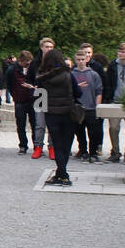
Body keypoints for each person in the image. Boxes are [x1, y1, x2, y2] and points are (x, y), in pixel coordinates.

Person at [37, 49, 83, 186]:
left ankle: (61, 174)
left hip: (51, 115)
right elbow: (78, 93)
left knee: (57, 144)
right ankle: (63, 175)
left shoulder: (42, 78)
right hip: (68, 113)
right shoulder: (68, 75)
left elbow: (40, 100)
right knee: (66, 144)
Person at [103, 42, 125, 164]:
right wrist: (107, 99)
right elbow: (107, 83)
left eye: (123, 51)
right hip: (115, 101)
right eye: (119, 51)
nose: (120, 53)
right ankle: (115, 151)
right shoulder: (113, 65)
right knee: (113, 127)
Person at [71, 48, 104, 163]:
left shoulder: (93, 74)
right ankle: (83, 151)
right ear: (75, 60)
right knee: (79, 132)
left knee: (93, 132)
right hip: (77, 108)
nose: (80, 62)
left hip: (90, 107)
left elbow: (99, 91)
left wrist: (97, 107)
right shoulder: (72, 74)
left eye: (82, 59)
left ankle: (93, 152)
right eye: (78, 59)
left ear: (86, 60)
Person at [27, 37, 56, 160]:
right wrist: (33, 86)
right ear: (41, 48)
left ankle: (52, 147)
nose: (48, 49)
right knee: (39, 124)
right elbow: (29, 78)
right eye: (46, 47)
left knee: (52, 124)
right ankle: (38, 147)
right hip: (40, 94)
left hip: (53, 96)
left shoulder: (56, 62)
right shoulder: (35, 63)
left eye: (50, 47)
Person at [7, 49, 40, 154]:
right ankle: (23, 145)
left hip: (32, 100)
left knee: (35, 124)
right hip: (20, 101)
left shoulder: (33, 69)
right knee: (20, 124)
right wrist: (15, 95)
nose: (28, 64)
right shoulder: (12, 70)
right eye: (27, 62)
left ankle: (36, 145)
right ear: (22, 60)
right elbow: (9, 85)